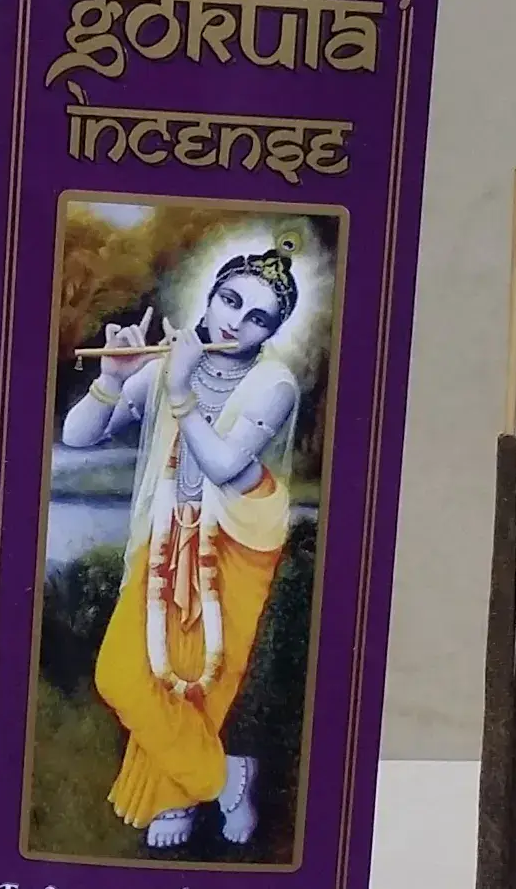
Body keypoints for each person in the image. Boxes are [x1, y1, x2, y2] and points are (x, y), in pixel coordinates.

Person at [62, 248, 300, 850]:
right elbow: (77, 436)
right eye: (230, 300)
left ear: (272, 330)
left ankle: (174, 798)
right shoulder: (177, 360)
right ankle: (224, 778)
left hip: (239, 534)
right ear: (211, 295)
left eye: (258, 317)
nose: (236, 321)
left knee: (199, 676)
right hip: (169, 530)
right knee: (123, 673)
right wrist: (114, 378)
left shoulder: (275, 383)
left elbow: (222, 465)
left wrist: (178, 385)